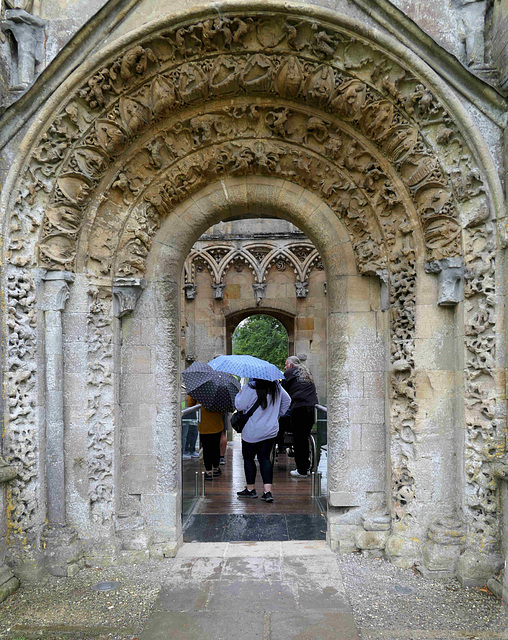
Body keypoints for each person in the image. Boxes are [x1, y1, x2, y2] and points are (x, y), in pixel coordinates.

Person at [235, 378, 291, 502]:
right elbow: (287, 400)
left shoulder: (250, 388)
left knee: (249, 458)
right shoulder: (276, 387)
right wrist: (278, 414)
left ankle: (250, 489)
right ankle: (267, 491)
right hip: (270, 429)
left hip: (252, 430)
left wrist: (239, 394)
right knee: (265, 458)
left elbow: (239, 405)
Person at [282, 356, 318, 478]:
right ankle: (306, 465)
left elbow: (282, 392)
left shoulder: (289, 373)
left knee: (299, 439)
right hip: (312, 407)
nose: (285, 367)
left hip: (299, 407)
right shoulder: (307, 372)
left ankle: (301, 470)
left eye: (286, 364)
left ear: (291, 365)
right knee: (305, 437)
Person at [187, 395, 223, 481]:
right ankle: (216, 468)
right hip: (217, 423)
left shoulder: (200, 392)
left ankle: (208, 471)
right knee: (215, 447)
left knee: (206, 448)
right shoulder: (219, 392)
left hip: (204, 424)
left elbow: (190, 404)